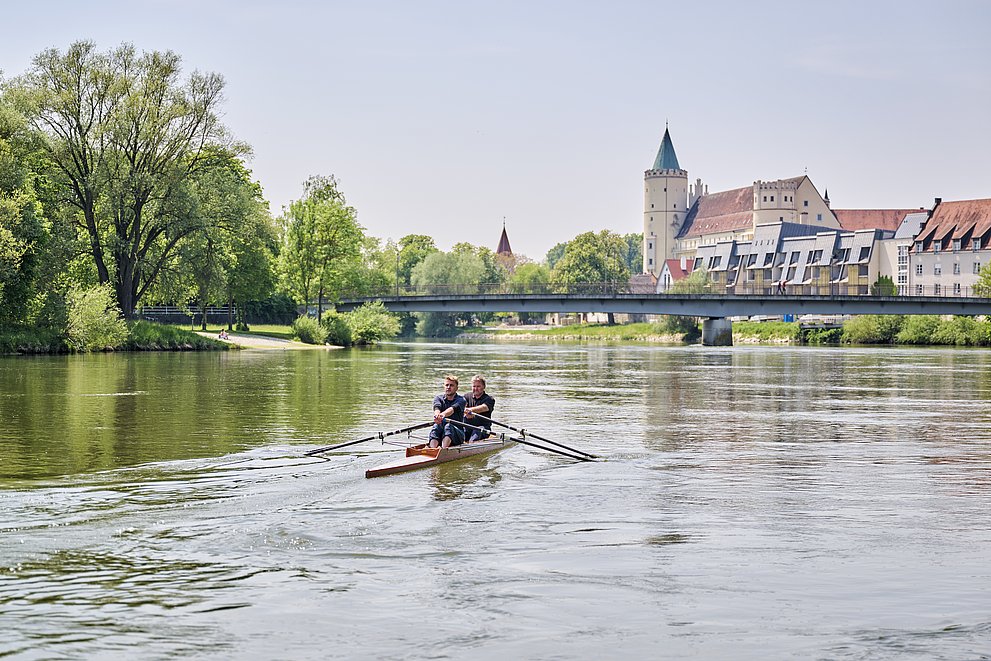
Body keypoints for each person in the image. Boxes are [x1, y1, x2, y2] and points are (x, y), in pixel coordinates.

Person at [428, 375, 467, 448]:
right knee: (436, 426)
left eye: (451, 385)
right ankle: (433, 450)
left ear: (456, 388)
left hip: (458, 434)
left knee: (448, 426)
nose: (448, 387)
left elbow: (451, 410)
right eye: (447, 385)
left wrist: (442, 415)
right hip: (442, 431)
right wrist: (437, 415)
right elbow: (437, 408)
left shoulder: (462, 400)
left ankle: (443, 450)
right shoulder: (438, 398)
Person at [464, 375, 496, 442]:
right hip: (467, 427)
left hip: (483, 428)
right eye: (474, 386)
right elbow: (461, 407)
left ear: (484, 387)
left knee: (477, 430)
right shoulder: (466, 397)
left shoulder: (489, 399)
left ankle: (471, 446)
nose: (475, 388)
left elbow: (484, 407)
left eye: (478, 386)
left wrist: (471, 410)